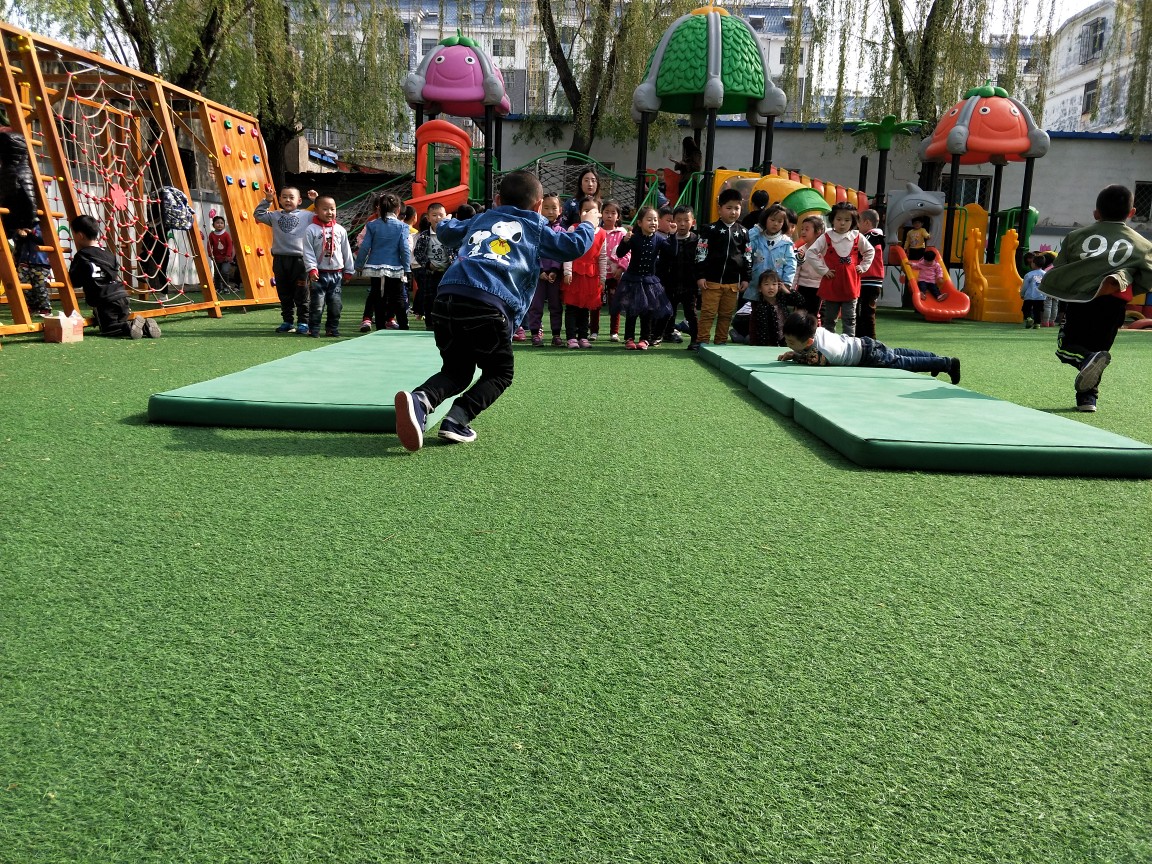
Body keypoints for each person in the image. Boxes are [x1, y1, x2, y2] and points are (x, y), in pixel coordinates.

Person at [394, 170, 598, 451]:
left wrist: (446, 221)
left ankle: (420, 401)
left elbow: (446, 232)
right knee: (500, 372)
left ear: (498, 200)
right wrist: (588, 224)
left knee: (457, 370)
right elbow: (572, 246)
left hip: (446, 299)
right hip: (487, 303)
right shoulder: (535, 225)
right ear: (539, 205)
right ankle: (457, 418)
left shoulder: (482, 218)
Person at [1042, 184, 1152, 413]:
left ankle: (1085, 361)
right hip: (1115, 303)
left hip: (1081, 301)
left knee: (1066, 348)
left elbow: (1062, 268)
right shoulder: (1143, 245)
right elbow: (1148, 276)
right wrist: (1130, 287)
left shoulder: (1075, 236)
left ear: (1096, 213)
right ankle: (1087, 399)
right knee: (1099, 352)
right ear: (1131, 213)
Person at [779, 311, 959, 383]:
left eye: (792, 342)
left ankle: (946, 363)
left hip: (868, 356)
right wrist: (796, 350)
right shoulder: (816, 331)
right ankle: (934, 359)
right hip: (864, 343)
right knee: (897, 353)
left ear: (809, 342)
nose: (788, 344)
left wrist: (794, 356)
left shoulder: (821, 352)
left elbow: (809, 360)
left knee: (903, 363)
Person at [69, 214, 160, 339]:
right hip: (122, 295)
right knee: (119, 322)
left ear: (80, 236)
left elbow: (75, 281)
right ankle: (144, 327)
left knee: (109, 329)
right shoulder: (108, 253)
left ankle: (130, 326)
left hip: (104, 299)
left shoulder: (81, 256)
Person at [690, 188, 750, 350]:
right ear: (719, 208)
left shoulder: (743, 232)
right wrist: (700, 275)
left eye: (737, 208)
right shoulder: (709, 229)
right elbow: (701, 252)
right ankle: (702, 341)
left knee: (726, 315)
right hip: (711, 281)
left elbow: (747, 256)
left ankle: (720, 342)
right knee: (708, 313)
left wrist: (746, 277)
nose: (733, 212)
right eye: (728, 208)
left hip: (733, 283)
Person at [255, 185, 318, 334]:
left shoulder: (306, 215)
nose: (288, 200)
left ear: (299, 200)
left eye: (291, 197)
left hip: (300, 261)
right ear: (279, 200)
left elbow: (321, 214)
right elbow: (258, 214)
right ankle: (288, 321)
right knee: (283, 292)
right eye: (284, 197)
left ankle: (303, 322)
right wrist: (267, 200)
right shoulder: (275, 216)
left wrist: (316, 201)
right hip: (280, 259)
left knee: (301, 292)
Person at [805, 202, 874, 336]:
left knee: (850, 319)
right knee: (830, 319)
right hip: (832, 284)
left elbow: (870, 251)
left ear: (853, 221)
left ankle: (849, 344)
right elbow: (811, 253)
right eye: (839, 219)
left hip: (850, 284)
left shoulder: (857, 237)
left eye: (847, 220)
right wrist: (824, 270)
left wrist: (863, 266)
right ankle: (829, 345)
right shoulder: (826, 237)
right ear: (832, 220)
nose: (842, 223)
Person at [614, 205, 672, 350]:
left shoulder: (659, 239)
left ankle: (644, 339)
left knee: (648, 312)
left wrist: (673, 235)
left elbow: (672, 252)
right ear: (640, 223)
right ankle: (629, 338)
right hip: (632, 280)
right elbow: (620, 254)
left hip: (649, 282)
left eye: (655, 220)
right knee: (632, 311)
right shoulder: (634, 238)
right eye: (649, 219)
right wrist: (625, 240)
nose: (653, 223)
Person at [354, 192, 411, 332]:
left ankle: (380, 327)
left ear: (379, 208)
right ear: (398, 209)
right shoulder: (402, 227)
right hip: (395, 266)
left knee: (378, 296)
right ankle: (404, 326)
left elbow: (365, 246)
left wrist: (359, 265)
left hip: (375, 266)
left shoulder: (372, 225)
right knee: (398, 297)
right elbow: (404, 249)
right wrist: (407, 267)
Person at [302, 195, 354, 337]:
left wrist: (349, 270)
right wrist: (312, 269)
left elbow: (346, 251)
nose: (329, 212)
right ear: (316, 211)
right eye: (325, 209)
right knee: (317, 305)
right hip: (318, 274)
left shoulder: (340, 230)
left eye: (332, 209)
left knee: (335, 305)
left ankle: (332, 328)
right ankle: (314, 328)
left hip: (336, 274)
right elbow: (308, 252)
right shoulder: (311, 230)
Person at [561, 196, 607, 348]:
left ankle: (583, 336)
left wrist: (603, 277)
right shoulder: (573, 228)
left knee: (585, 308)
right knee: (572, 307)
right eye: (585, 211)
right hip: (575, 273)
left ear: (599, 214)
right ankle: (571, 337)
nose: (589, 214)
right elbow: (568, 251)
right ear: (580, 213)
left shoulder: (602, 234)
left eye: (593, 211)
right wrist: (567, 271)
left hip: (591, 276)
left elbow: (602, 257)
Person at [524, 193, 566, 347]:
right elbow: (533, 251)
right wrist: (540, 270)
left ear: (560, 210)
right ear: (540, 209)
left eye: (554, 208)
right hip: (538, 275)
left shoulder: (561, 230)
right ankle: (535, 333)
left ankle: (556, 334)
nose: (550, 211)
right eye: (546, 208)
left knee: (556, 305)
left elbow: (560, 251)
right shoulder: (536, 229)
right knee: (536, 305)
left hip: (555, 275)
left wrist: (555, 270)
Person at [657, 205, 698, 344]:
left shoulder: (697, 241)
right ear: (673, 222)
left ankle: (695, 339)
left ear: (693, 222)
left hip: (690, 285)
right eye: (678, 220)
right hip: (671, 283)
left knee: (690, 312)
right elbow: (663, 262)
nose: (682, 224)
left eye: (686, 220)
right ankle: (666, 333)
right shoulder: (668, 240)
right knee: (669, 311)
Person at [595, 199, 628, 342]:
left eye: (613, 213)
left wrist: (621, 268)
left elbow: (627, 252)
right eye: (606, 212)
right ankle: (593, 331)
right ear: (601, 214)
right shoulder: (597, 231)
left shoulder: (622, 233)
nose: (609, 215)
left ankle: (614, 332)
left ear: (618, 216)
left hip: (615, 275)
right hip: (598, 273)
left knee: (615, 303)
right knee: (595, 302)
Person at [412, 201, 452, 321]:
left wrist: (453, 263)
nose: (437, 218)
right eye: (434, 215)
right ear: (428, 218)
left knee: (446, 297)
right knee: (429, 298)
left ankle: (445, 321)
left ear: (445, 217)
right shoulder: (424, 236)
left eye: (441, 215)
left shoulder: (450, 234)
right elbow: (418, 253)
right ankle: (430, 322)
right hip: (430, 273)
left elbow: (456, 249)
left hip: (447, 272)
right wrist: (428, 265)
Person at [856, 208, 886, 339]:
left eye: (859, 222)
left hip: (870, 279)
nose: (857, 226)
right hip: (869, 279)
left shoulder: (872, 236)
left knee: (866, 312)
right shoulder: (876, 237)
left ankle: (871, 341)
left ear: (867, 222)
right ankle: (862, 339)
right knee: (862, 312)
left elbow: (860, 251)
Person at [792, 214, 826, 323]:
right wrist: (792, 289)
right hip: (802, 287)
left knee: (814, 315)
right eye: (802, 229)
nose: (803, 232)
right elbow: (796, 271)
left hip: (818, 288)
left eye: (807, 229)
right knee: (799, 315)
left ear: (818, 232)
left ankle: (814, 332)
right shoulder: (801, 250)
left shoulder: (824, 250)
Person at [14, 223, 52, 316]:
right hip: (24, 260)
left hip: (40, 261)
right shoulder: (21, 224)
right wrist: (19, 233)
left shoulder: (43, 224)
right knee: (24, 284)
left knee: (40, 285)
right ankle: (32, 306)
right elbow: (16, 240)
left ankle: (44, 308)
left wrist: (33, 232)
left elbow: (48, 239)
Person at [749, 270, 792, 346]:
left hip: (784, 340)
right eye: (766, 284)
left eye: (774, 284)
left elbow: (800, 301)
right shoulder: (760, 307)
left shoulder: (782, 300)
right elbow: (758, 329)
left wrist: (786, 291)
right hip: (769, 343)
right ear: (760, 288)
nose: (771, 287)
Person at [207, 216, 235, 297]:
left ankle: (226, 287)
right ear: (213, 225)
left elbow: (230, 245)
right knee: (217, 273)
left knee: (225, 271)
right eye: (217, 223)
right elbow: (209, 245)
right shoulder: (212, 235)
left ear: (224, 225)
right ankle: (218, 288)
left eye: (221, 223)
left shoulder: (226, 235)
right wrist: (210, 254)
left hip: (226, 258)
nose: (219, 225)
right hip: (216, 258)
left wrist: (228, 255)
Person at [1020, 253, 1046, 329]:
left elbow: (1025, 286)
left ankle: (1029, 318)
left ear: (1033, 264)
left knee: (1026, 309)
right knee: (1038, 310)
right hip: (1040, 296)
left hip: (1029, 296)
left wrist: (1022, 294)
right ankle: (1037, 324)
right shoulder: (1045, 274)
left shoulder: (1029, 274)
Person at [1038, 253, 1059, 327]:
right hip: (1057, 289)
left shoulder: (1046, 270)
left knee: (1047, 305)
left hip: (1048, 289)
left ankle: (1045, 321)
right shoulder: (1058, 267)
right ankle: (1052, 321)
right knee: (1055, 306)